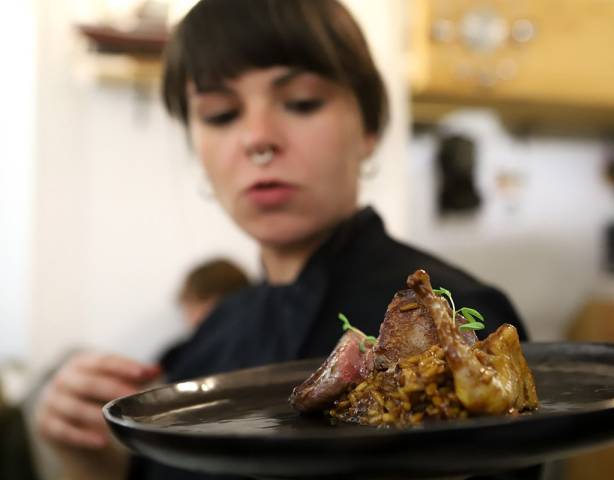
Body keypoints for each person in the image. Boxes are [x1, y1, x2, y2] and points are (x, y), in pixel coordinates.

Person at [33, 1, 539, 479]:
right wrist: (89, 458)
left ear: (368, 127)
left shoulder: (462, 323)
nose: (257, 137)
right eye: (220, 114)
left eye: (301, 102)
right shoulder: (198, 352)